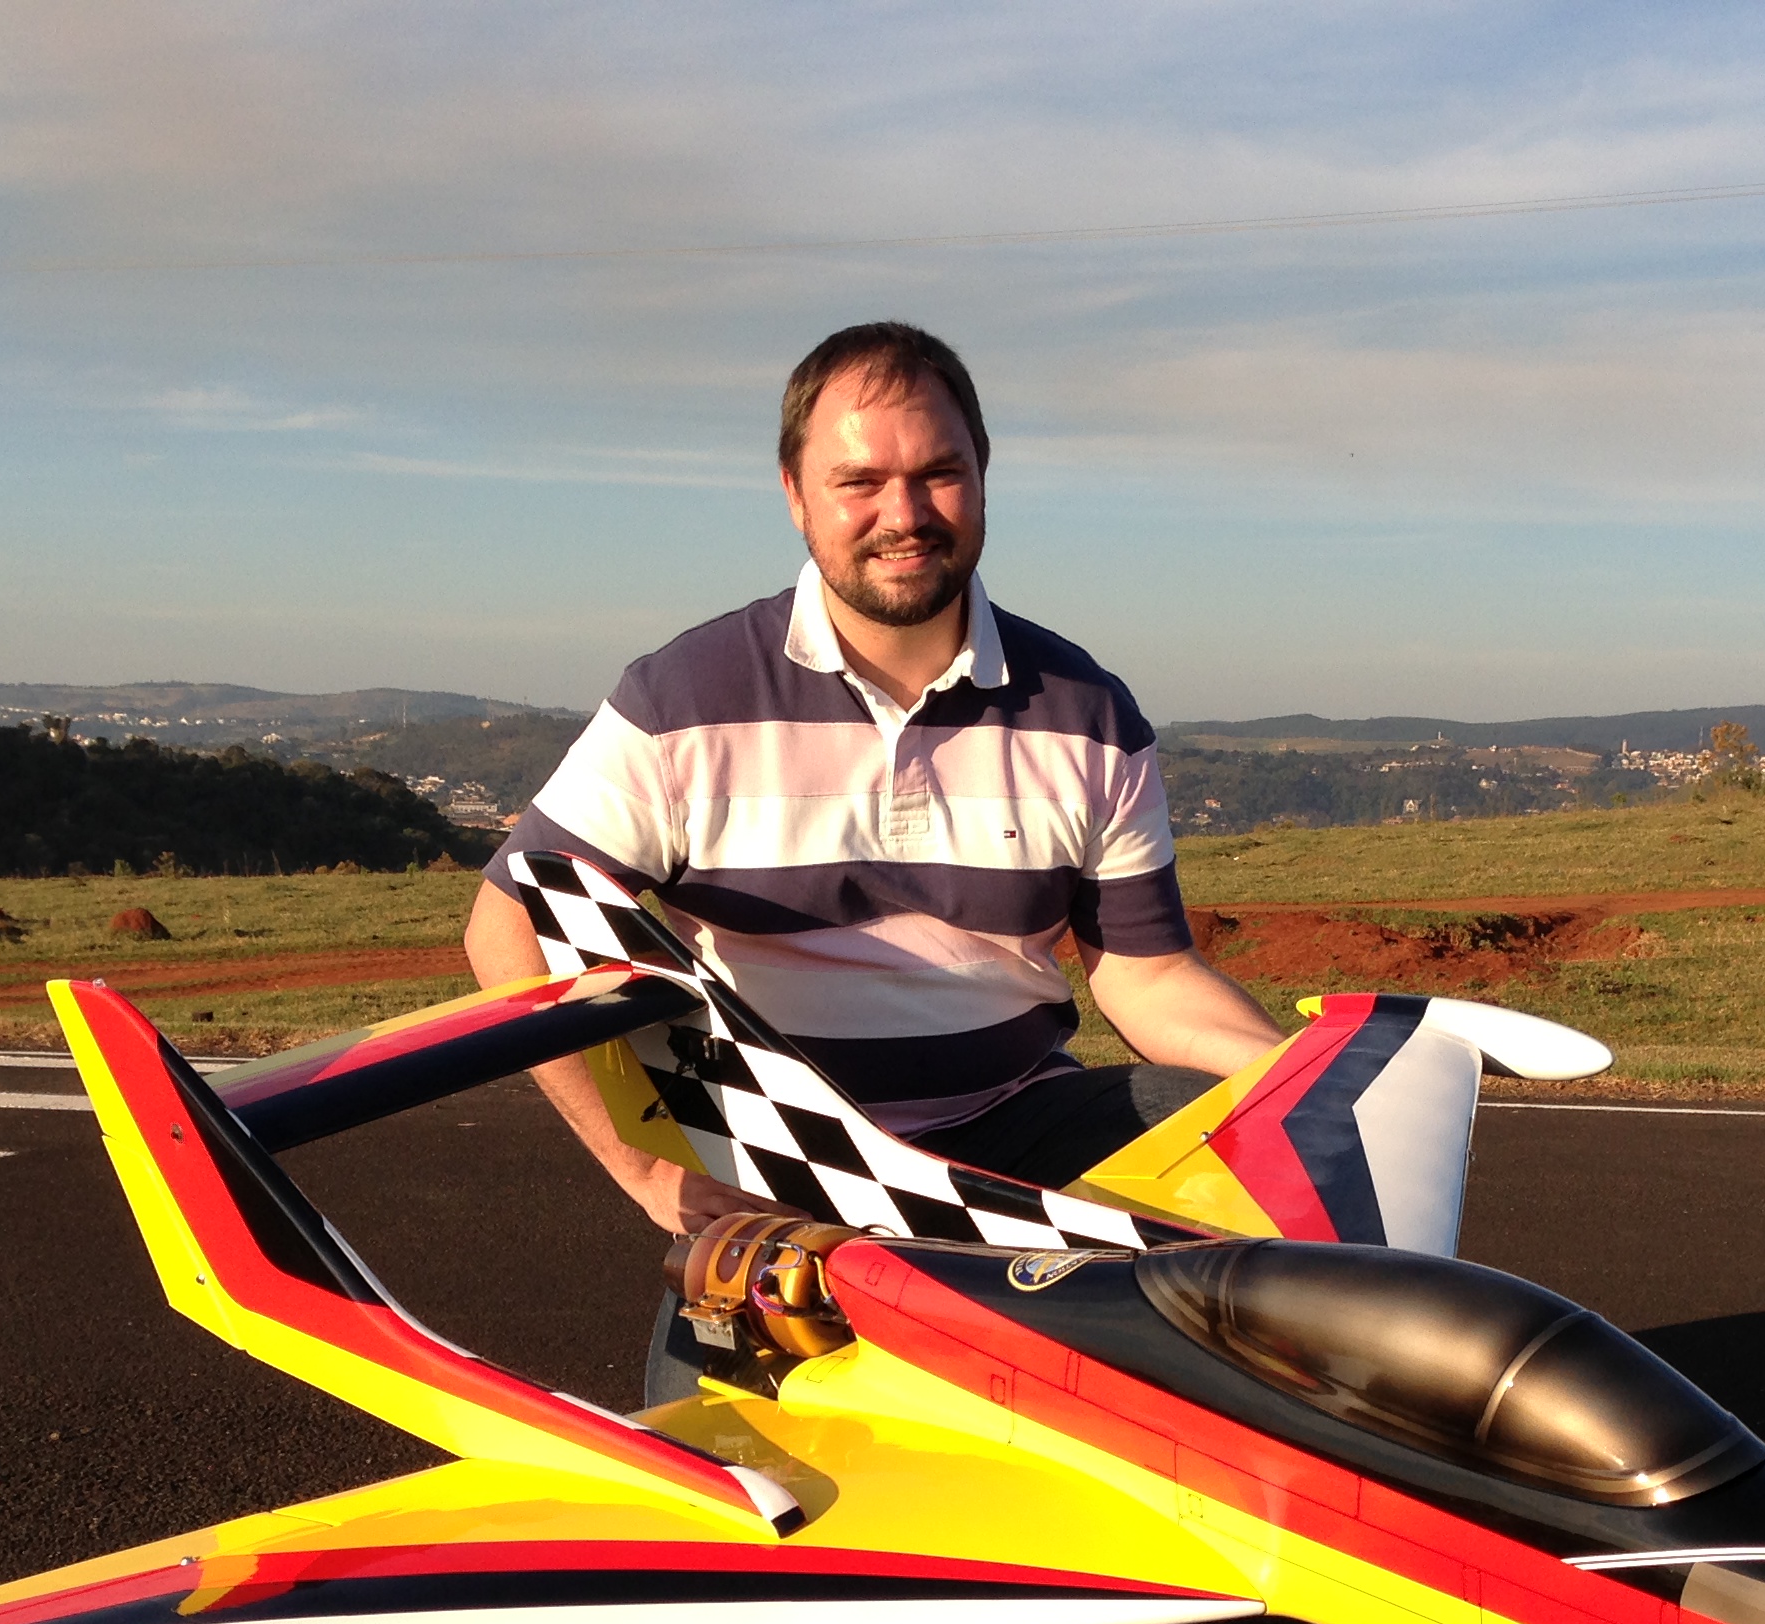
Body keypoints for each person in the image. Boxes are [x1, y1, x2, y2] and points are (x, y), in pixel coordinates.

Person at [464, 321, 1288, 1401]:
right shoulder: (682, 700)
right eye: (860, 481)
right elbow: (509, 923)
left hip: (1021, 1135)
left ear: (982, 475)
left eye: (938, 473)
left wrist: (1302, 1089)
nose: (904, 515)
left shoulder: (1088, 713)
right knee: (741, 1479)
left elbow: (1146, 973)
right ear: (795, 495)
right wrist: (648, 1169)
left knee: (1245, 1228)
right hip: (784, 1172)